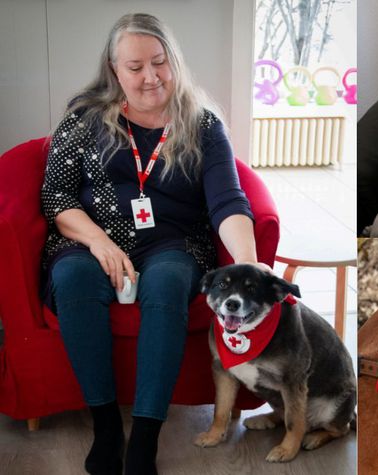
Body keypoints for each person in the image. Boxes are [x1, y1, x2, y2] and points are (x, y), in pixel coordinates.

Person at [41, 13, 267, 475]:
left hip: (174, 242)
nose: (150, 77)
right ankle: (106, 429)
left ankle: (145, 436)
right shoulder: (83, 119)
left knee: (167, 286)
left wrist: (248, 264)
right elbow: (55, 194)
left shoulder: (203, 125)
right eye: (135, 66)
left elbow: (227, 200)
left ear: (174, 61)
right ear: (114, 69)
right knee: (72, 278)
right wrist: (99, 242)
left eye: (159, 62)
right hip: (91, 237)